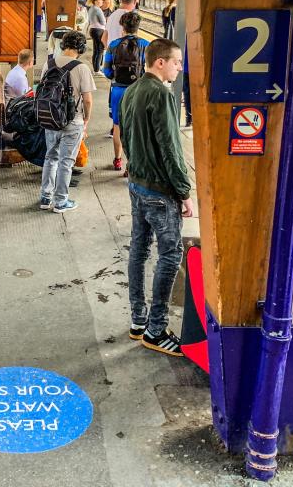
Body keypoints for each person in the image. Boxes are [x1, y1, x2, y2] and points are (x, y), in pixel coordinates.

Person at [120, 38, 195, 357]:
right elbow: (170, 147)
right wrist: (184, 191)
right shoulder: (162, 94)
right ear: (160, 62)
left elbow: (123, 134)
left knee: (138, 249)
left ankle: (138, 322)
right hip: (159, 192)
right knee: (170, 254)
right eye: (177, 62)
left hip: (137, 184)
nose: (180, 67)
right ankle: (156, 330)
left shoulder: (132, 90)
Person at [39, 31, 95, 214]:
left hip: (50, 118)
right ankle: (61, 201)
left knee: (50, 157)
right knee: (66, 162)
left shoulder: (48, 63)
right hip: (73, 121)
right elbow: (87, 99)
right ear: (81, 48)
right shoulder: (82, 68)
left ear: (62, 45)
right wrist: (86, 119)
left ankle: (45, 197)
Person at [103, 11, 149, 171]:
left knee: (117, 126)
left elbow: (107, 71)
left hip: (118, 91)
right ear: (137, 27)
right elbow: (150, 71)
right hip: (138, 91)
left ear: (122, 26)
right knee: (136, 127)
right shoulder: (146, 45)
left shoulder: (113, 45)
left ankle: (117, 160)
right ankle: (132, 164)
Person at [86, 0, 106, 73]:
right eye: (100, 0)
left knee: (96, 50)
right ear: (95, 1)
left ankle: (95, 68)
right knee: (100, 50)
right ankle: (97, 70)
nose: (102, 1)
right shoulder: (98, 10)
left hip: (93, 29)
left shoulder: (91, 9)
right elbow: (103, 22)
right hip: (99, 30)